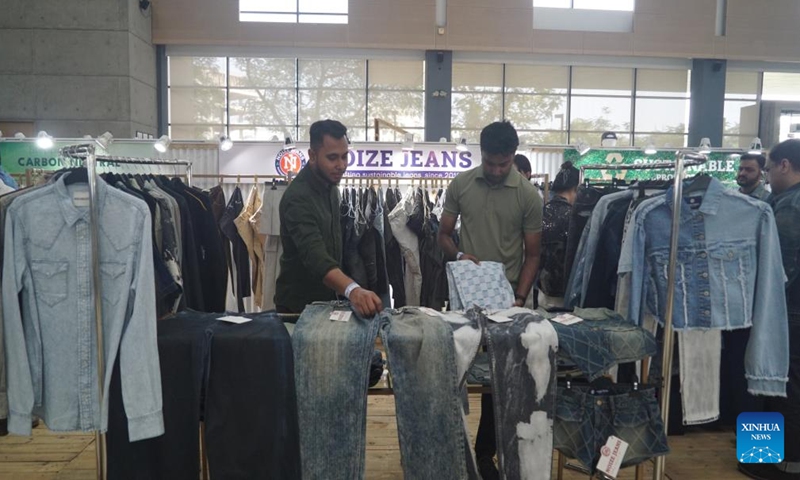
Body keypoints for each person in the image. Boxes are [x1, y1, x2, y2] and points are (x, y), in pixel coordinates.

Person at [438, 121, 543, 479]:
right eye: (490, 163)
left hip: (507, 304)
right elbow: (442, 234)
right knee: (454, 374)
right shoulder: (461, 184)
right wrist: (460, 253)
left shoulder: (528, 195)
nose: (497, 171)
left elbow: (532, 255)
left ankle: (485, 455)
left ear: (513, 156)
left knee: (499, 384)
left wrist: (519, 298)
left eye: (503, 163)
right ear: (480, 154)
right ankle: (451, 450)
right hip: (463, 300)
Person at [275, 119, 383, 318]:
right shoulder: (297, 198)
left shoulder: (332, 189)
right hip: (298, 310)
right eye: (332, 158)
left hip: (328, 303)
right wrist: (353, 290)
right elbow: (316, 257)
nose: (341, 165)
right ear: (312, 156)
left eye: (344, 157)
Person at [739, 139, 800, 480]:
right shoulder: (781, 201)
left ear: (784, 165)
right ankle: (763, 456)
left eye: (768, 167)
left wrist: (759, 303)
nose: (766, 175)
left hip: (786, 311)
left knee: (775, 382)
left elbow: (783, 268)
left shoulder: (790, 206)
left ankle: (780, 462)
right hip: (789, 309)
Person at [538, 161, 579, 309]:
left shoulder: (542, 212)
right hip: (565, 289)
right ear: (575, 189)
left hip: (541, 288)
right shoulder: (573, 217)